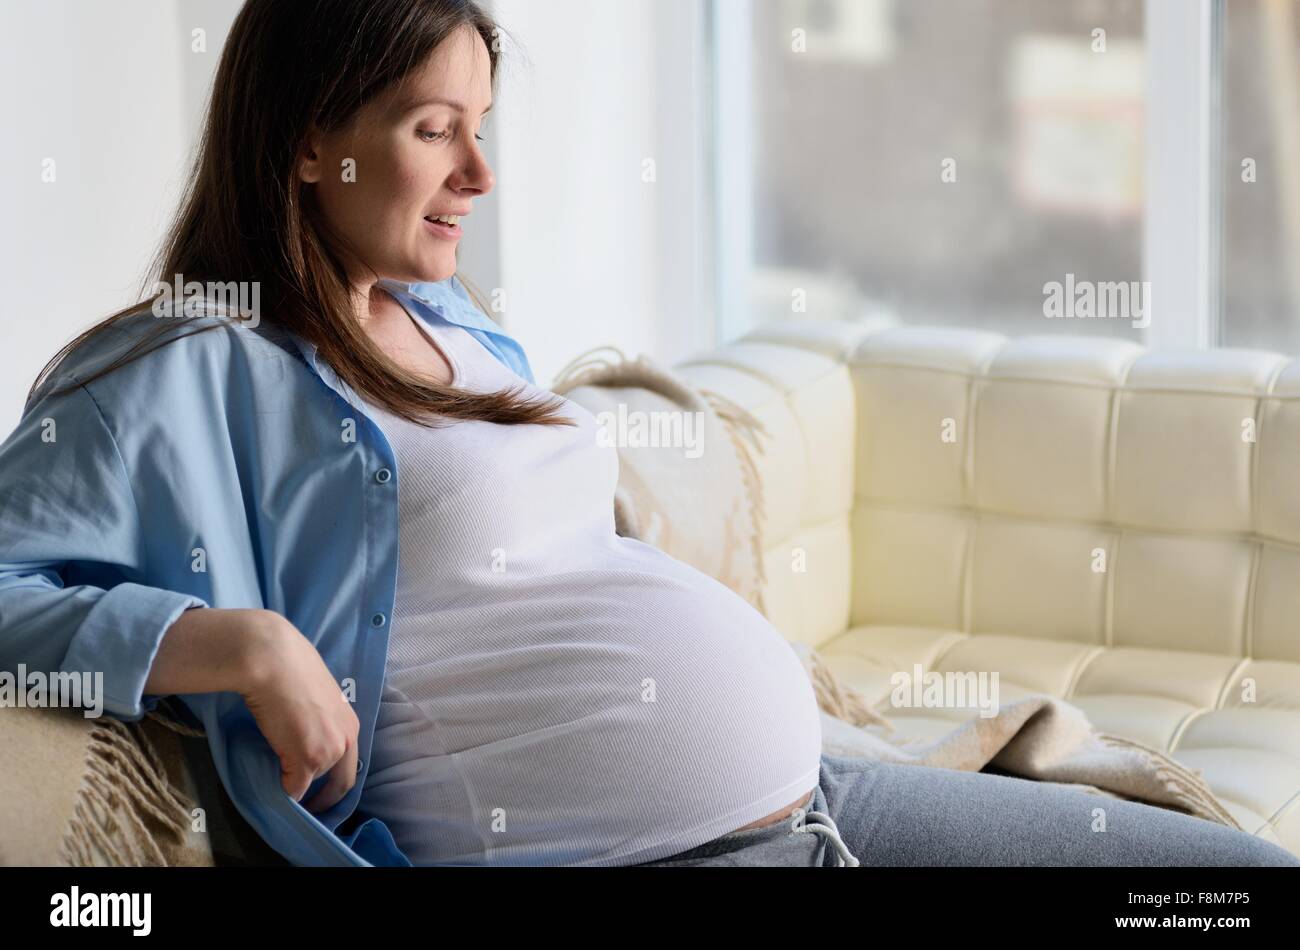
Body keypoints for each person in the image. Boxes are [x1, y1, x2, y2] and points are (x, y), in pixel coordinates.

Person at [1, 0, 1295, 868]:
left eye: (483, 131)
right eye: (433, 130)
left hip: (833, 796)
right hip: (661, 855)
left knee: (1228, 879)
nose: (479, 177)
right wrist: (236, 642)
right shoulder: (188, 366)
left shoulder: (453, 323)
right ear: (304, 145)